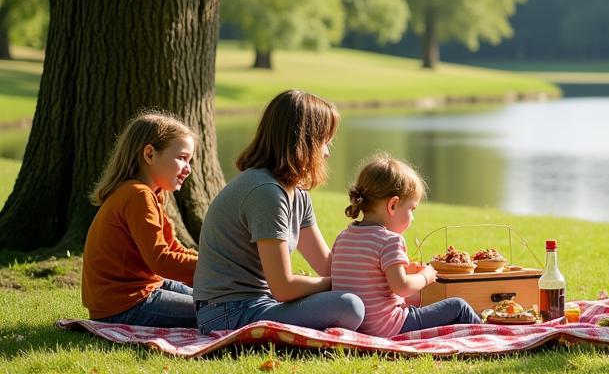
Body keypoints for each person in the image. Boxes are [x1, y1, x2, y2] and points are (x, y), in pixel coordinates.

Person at [192, 90, 364, 334]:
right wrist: (342, 286)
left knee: (354, 302)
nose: (327, 152)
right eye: (324, 141)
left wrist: (373, 273)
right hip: (227, 312)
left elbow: (327, 265)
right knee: (350, 305)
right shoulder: (266, 192)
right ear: (303, 141)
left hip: (259, 304)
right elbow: (283, 287)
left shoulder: (297, 193)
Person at [330, 154, 480, 336]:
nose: (413, 217)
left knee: (419, 302)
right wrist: (426, 276)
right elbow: (401, 287)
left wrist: (402, 270)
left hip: (356, 326)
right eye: (412, 209)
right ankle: (492, 336)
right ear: (393, 205)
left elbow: (364, 277)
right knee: (458, 307)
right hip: (388, 327)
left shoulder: (343, 237)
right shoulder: (390, 241)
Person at [82, 112, 199, 327]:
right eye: (182, 158)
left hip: (143, 290)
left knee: (216, 298)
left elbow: (172, 248)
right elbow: (162, 261)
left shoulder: (150, 194)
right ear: (149, 154)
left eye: (189, 160)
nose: (188, 169)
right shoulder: (137, 196)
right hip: (124, 306)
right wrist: (215, 266)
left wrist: (211, 266)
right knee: (219, 310)